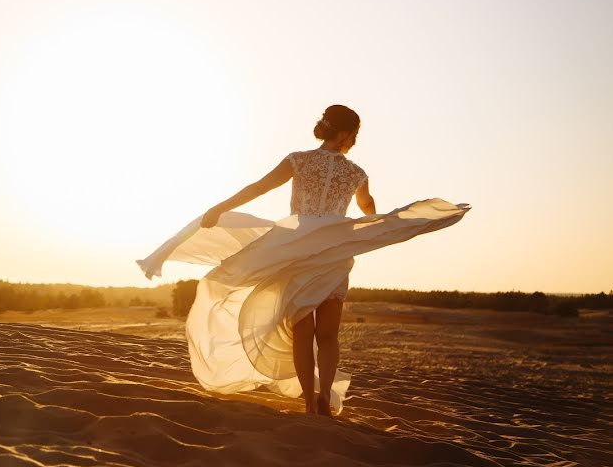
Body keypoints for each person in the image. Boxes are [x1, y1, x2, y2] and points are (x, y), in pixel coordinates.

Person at [136, 104, 469, 417]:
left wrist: (220, 207)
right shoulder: (356, 173)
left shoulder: (298, 160)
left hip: (295, 246)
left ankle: (310, 400)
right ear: (342, 134)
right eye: (354, 135)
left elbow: (258, 187)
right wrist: (378, 226)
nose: (354, 142)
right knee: (328, 334)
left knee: (301, 331)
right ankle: (325, 395)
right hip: (334, 249)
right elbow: (369, 207)